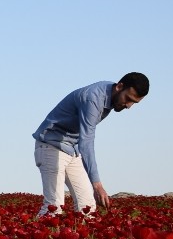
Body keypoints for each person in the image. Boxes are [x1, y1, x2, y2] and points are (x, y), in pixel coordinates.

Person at [32, 73, 148, 216]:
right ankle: (33, 237)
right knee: (53, 208)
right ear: (119, 87)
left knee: (87, 206)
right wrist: (97, 185)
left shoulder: (111, 95)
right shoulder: (93, 98)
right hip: (50, 145)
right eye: (128, 99)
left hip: (71, 149)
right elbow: (86, 141)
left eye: (134, 103)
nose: (128, 106)